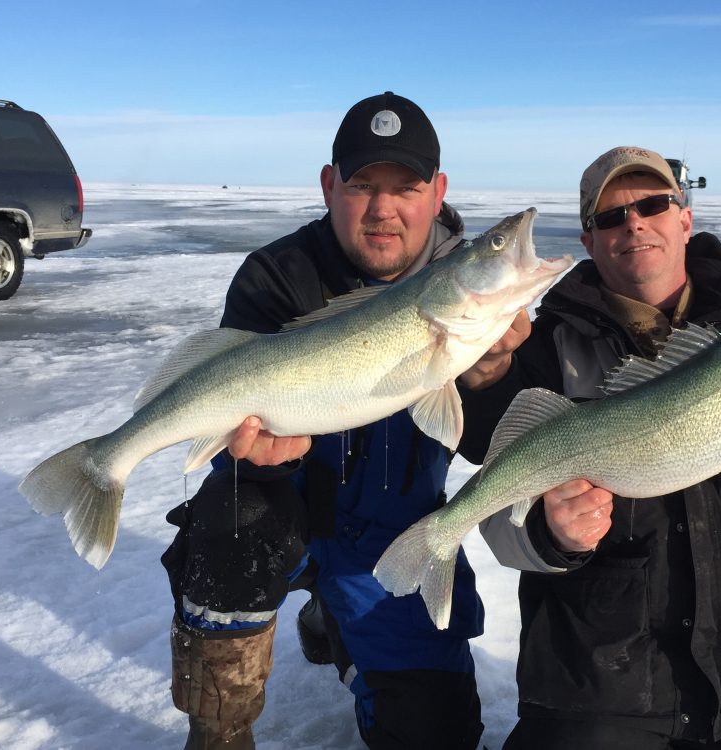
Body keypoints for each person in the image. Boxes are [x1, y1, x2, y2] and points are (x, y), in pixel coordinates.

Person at [457, 146, 721, 750]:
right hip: (599, 688)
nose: (634, 223)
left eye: (653, 204)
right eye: (611, 217)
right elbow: (500, 495)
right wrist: (550, 537)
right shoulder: (544, 348)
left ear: (684, 218)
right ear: (588, 239)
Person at [161, 92, 485, 750]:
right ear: (329, 185)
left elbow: (488, 440)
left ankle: (340, 629)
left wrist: (490, 378)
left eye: (406, 187)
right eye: (363, 185)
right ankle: (219, 729)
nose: (383, 208)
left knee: (434, 732)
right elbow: (229, 422)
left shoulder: (475, 290)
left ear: (438, 191)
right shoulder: (277, 276)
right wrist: (251, 454)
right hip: (283, 512)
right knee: (232, 524)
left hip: (392, 533)